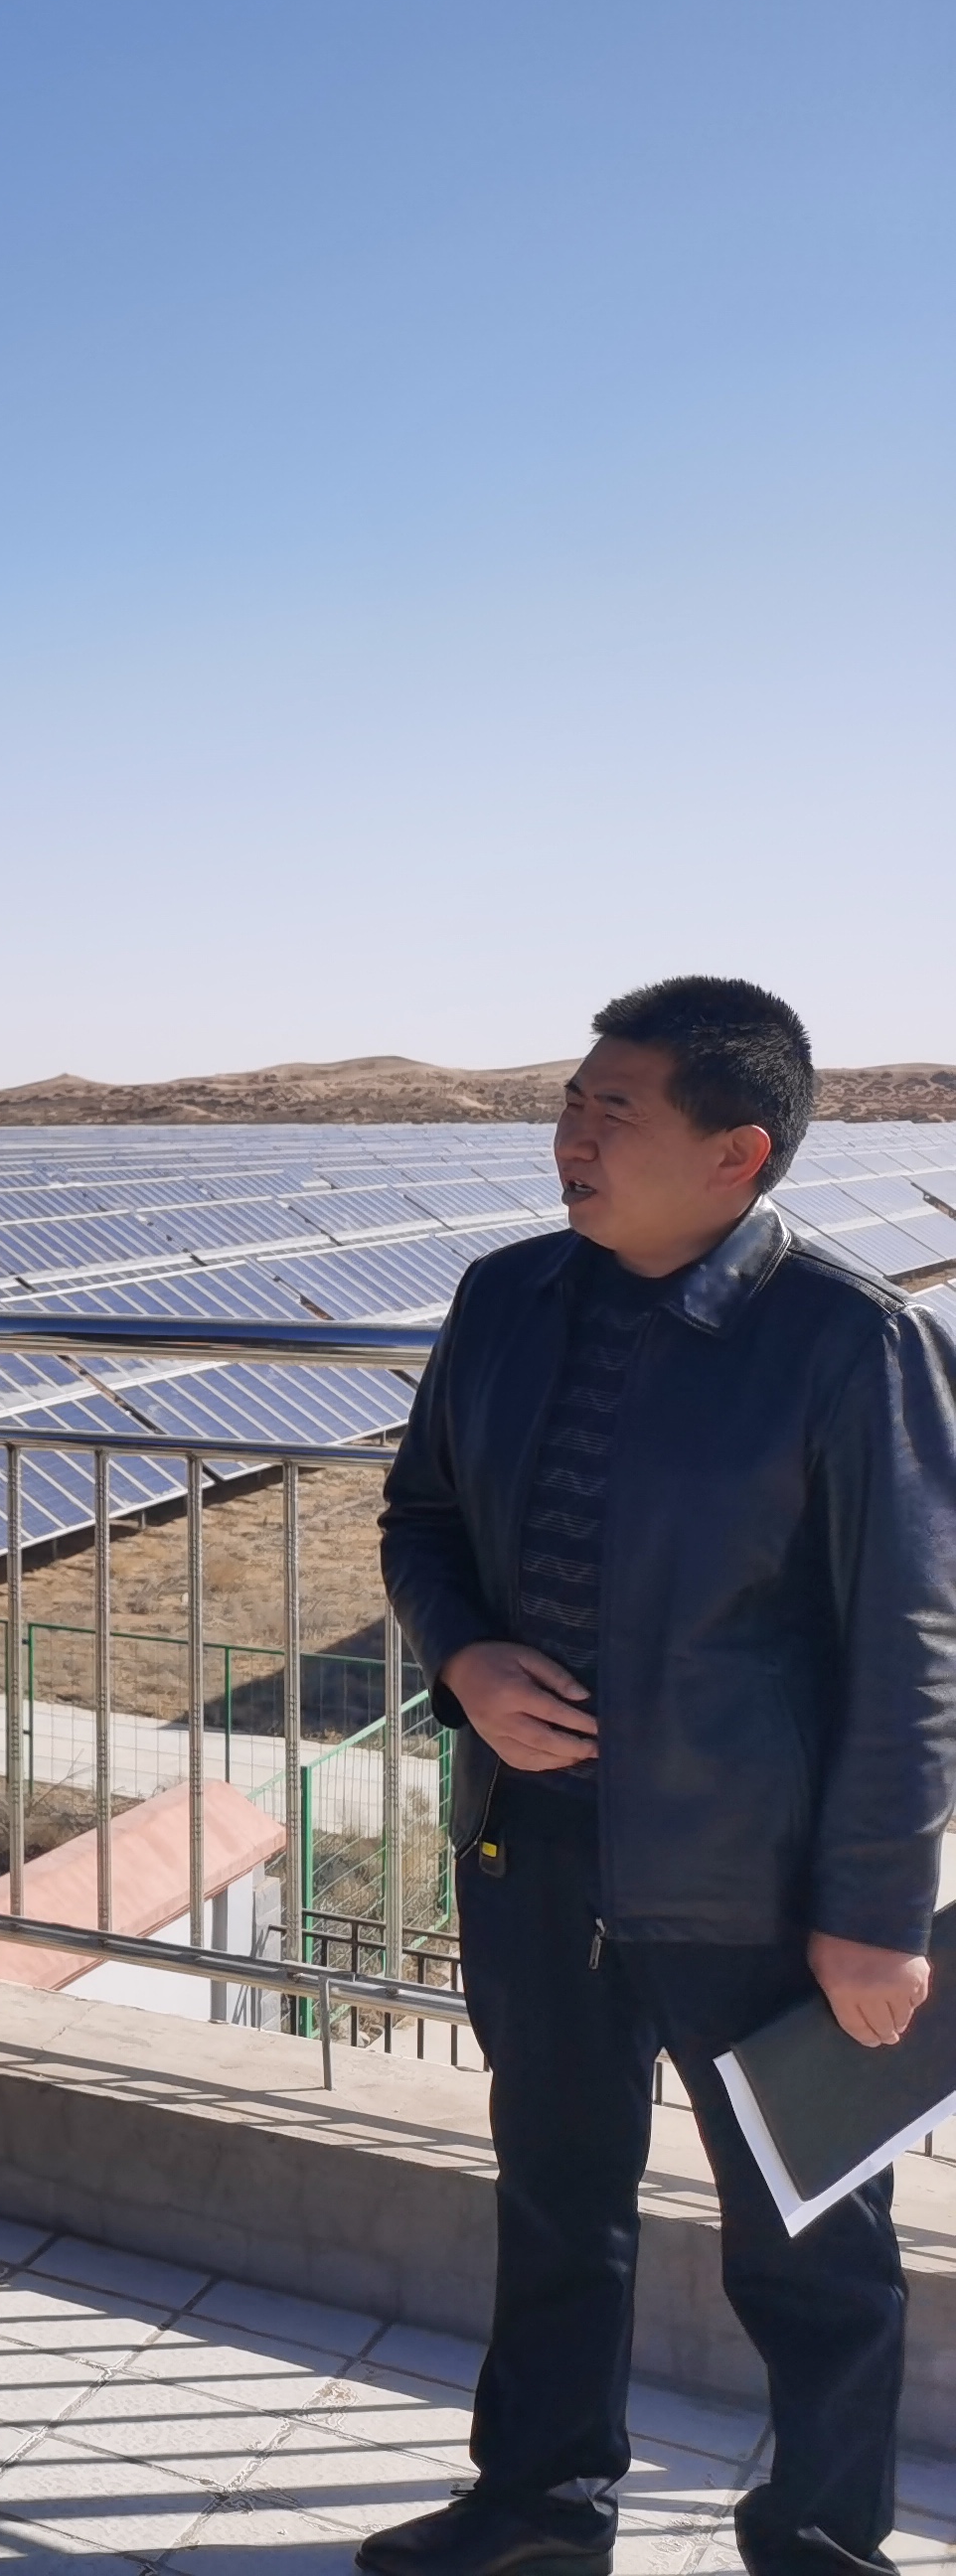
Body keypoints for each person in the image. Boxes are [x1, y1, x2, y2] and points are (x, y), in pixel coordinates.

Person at [361, 979, 956, 2576]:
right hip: (533, 1847)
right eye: (571, 1102)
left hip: (753, 1884)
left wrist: (876, 1911)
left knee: (810, 2238)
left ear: (736, 1152)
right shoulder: (505, 1297)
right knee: (557, 2197)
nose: (570, 1136)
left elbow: (912, 1646)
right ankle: (539, 2511)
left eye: (612, 1111)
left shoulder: (851, 1341)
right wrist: (465, 1662)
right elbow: (422, 1519)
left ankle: (822, 2543)